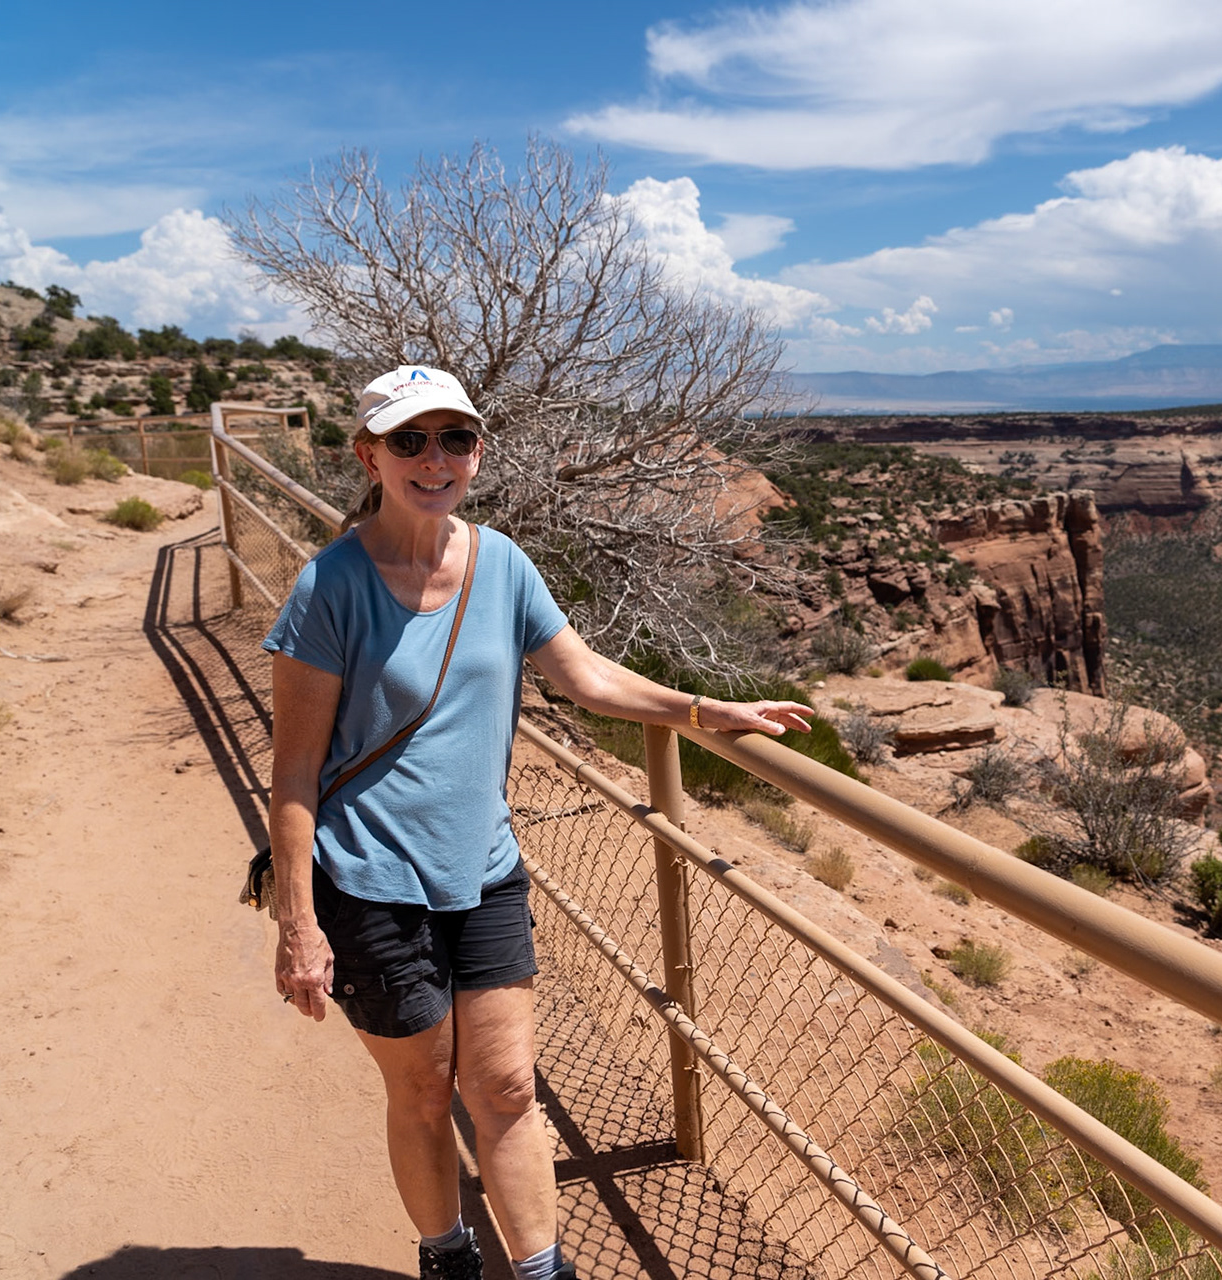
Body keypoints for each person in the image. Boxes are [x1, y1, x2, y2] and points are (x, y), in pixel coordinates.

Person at [264, 365, 812, 1280]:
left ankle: (542, 1272)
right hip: (367, 884)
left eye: (455, 439)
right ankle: (448, 1255)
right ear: (369, 455)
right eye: (409, 440)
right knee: (425, 1091)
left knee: (509, 1088)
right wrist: (298, 925)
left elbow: (587, 678)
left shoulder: (503, 562)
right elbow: (291, 774)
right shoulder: (330, 589)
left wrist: (702, 710)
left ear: (477, 453)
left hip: (483, 871)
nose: (434, 459)